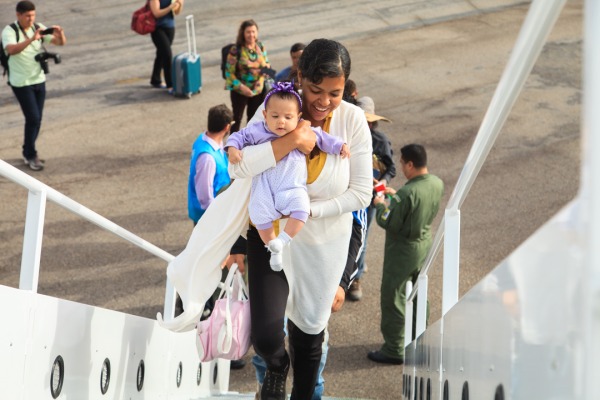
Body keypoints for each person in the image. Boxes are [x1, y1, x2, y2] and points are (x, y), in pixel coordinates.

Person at [228, 38, 372, 400]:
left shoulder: (352, 121)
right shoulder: (277, 108)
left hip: (323, 245)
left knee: (309, 336)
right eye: (315, 90)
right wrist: (291, 139)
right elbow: (241, 168)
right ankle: (277, 366)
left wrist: (307, 210)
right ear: (300, 76)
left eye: (335, 93)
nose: (324, 101)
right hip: (271, 235)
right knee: (265, 335)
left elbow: (361, 195)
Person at [226, 81, 350, 271]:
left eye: (288, 117)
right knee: (259, 214)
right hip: (265, 187)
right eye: (275, 116)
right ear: (265, 115)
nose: (281, 121)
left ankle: (283, 241)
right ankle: (272, 247)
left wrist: (339, 145)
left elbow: (324, 139)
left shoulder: (303, 130)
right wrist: (233, 148)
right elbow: (239, 136)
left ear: (298, 117)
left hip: (292, 186)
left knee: (302, 208)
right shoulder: (259, 130)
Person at [367, 144, 443, 365]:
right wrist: (393, 195)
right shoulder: (436, 183)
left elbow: (388, 221)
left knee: (394, 296)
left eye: (402, 163)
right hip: (423, 243)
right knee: (419, 293)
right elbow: (409, 205)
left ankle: (394, 348)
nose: (401, 166)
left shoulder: (408, 192)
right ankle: (418, 339)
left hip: (403, 250)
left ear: (410, 163)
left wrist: (381, 205)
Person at [2, 0, 66, 171]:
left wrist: (60, 34)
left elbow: (60, 44)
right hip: (21, 82)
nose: (31, 19)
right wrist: (32, 39)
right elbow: (11, 50)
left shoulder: (37, 26)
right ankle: (30, 154)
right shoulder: (10, 31)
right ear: (18, 15)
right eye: (28, 16)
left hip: (39, 79)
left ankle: (28, 151)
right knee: (33, 118)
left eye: (33, 15)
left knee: (37, 120)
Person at [347, 96, 396, 301]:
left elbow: (390, 168)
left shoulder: (380, 141)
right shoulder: (346, 137)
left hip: (370, 198)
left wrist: (380, 185)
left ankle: (355, 278)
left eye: (368, 121)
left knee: (361, 240)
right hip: (347, 195)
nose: (365, 124)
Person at [188, 104, 234, 224]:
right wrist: (215, 218)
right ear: (227, 127)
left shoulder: (203, 138)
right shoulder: (207, 158)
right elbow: (204, 196)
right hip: (208, 216)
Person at [225, 19, 271, 133]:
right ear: (243, 33)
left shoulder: (260, 46)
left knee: (253, 120)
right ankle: (232, 145)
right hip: (240, 91)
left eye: (253, 31)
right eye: (248, 32)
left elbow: (267, 64)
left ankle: (249, 145)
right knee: (236, 119)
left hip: (258, 91)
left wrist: (265, 71)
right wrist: (242, 88)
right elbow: (229, 73)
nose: (251, 35)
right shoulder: (236, 50)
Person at [148, 0, 183, 92]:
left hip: (170, 28)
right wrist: (170, 7)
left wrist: (179, 4)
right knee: (167, 54)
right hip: (157, 29)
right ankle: (170, 84)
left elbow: (177, 12)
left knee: (161, 54)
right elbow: (156, 13)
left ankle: (155, 79)